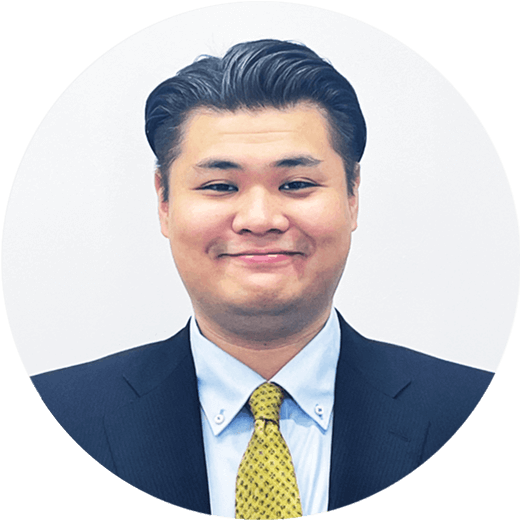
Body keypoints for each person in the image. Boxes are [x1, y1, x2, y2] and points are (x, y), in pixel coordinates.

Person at [30, 39, 494, 517]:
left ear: (352, 196)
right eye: (220, 186)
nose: (259, 219)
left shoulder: (464, 407)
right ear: (164, 202)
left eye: (296, 184)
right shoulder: (62, 412)